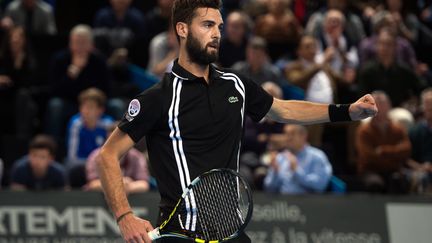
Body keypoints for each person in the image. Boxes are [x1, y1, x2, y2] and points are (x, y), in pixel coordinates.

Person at [96, 1, 377, 242]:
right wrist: (125, 217)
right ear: (182, 29)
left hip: (231, 232)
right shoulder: (158, 99)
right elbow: (108, 155)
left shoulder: (236, 84)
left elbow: (284, 110)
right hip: (180, 233)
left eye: (218, 27)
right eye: (207, 25)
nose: (216, 34)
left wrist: (347, 111)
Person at [355, 91, 411, 193]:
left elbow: (406, 149)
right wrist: (394, 156)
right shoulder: (364, 131)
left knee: (399, 181)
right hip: (371, 170)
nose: (380, 108)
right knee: (374, 184)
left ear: (389, 106)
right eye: (376, 104)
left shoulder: (398, 128)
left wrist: (384, 151)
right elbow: (367, 155)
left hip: (394, 170)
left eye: (383, 104)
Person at [263, 124, 332, 194]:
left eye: (292, 134)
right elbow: (268, 189)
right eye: (286, 133)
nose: (288, 138)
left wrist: (296, 171)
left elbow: (320, 185)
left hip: (309, 203)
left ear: (303, 136)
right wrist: (275, 171)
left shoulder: (317, 157)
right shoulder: (280, 158)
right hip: (282, 203)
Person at [85, 123, 150, 193]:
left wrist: (128, 187)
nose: (116, 145)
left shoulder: (137, 156)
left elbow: (144, 184)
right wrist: (118, 184)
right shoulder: (96, 156)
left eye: (120, 141)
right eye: (112, 141)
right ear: (107, 139)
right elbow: (93, 184)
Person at [65, 88, 114, 167]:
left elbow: (112, 153)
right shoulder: (76, 124)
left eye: (90, 107)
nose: (85, 111)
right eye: (83, 106)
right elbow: (72, 157)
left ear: (100, 110)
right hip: (80, 164)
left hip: (101, 164)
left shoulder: (108, 124)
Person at [408, 88, 432, 193]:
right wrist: (421, 167)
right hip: (419, 171)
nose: (430, 107)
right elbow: (406, 158)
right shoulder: (414, 131)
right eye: (428, 104)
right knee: (420, 178)